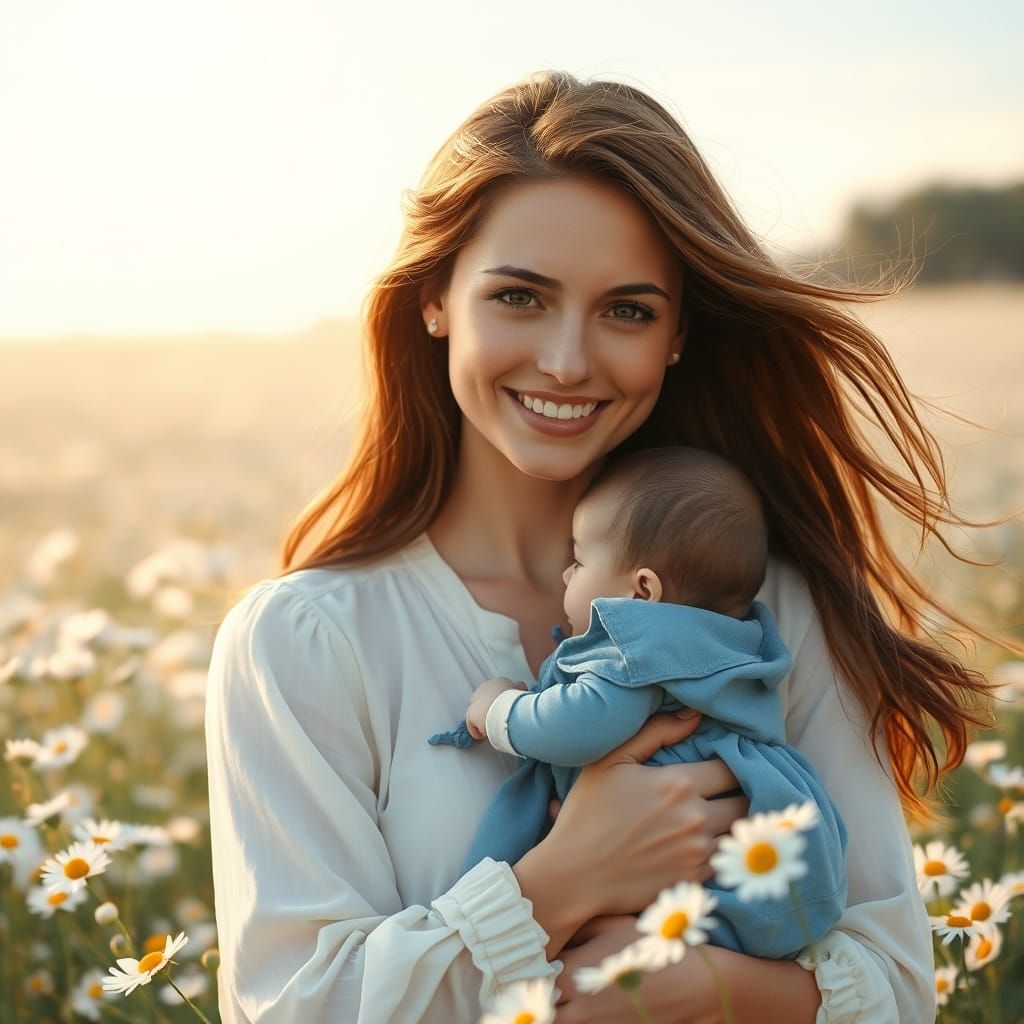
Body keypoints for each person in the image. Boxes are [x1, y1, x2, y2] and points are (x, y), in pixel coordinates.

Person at [205, 69, 993, 1023]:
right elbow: (297, 1008)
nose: (569, 361)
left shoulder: (781, 610)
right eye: (520, 297)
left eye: (627, 310)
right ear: (434, 298)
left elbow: (903, 990)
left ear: (674, 336)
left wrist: (703, 988)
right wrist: (562, 880)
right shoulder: (304, 642)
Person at [428, 446, 848, 961]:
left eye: (579, 561)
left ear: (642, 590)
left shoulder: (638, 653)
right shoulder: (721, 642)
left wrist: (499, 709)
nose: (566, 575)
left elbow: (579, 725)